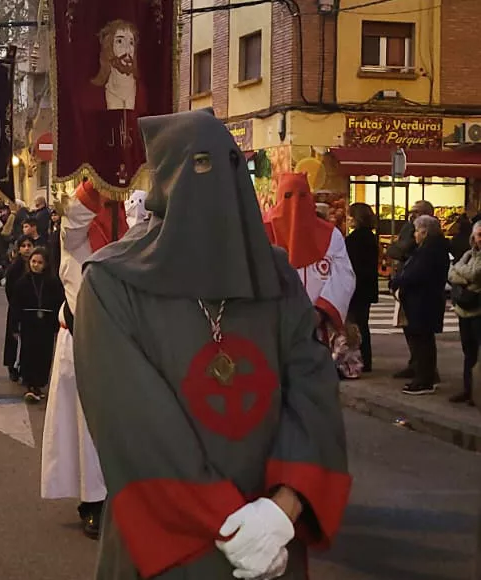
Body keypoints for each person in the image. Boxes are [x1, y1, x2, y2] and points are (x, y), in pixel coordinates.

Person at [74, 110, 350, 579]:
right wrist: (232, 528)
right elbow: (137, 430)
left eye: (229, 163)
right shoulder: (111, 284)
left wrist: (282, 512)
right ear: (165, 182)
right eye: (198, 164)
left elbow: (314, 393)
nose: (217, 180)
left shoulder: (275, 276)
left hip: (269, 542)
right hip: (168, 549)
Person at [40, 178, 129, 541]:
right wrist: (101, 179)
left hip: (122, 346)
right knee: (85, 428)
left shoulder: (130, 245)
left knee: (121, 427)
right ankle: (92, 501)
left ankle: (123, 496)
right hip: (81, 342)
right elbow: (74, 219)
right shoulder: (73, 242)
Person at [264, 173, 356, 345]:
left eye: (302, 196)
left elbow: (343, 276)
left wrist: (321, 311)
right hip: (271, 325)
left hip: (316, 328)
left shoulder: (331, 235)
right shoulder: (261, 230)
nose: (295, 204)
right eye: (288, 196)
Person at [390, 215, 450, 396]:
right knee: (422, 340)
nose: (415, 234)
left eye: (417, 231)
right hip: (422, 300)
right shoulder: (428, 248)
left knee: (423, 340)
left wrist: (397, 281)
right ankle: (424, 376)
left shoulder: (430, 250)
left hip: (423, 301)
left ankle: (425, 380)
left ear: (424, 232)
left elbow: (416, 274)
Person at [9, 247, 64, 403]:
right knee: (28, 353)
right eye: (33, 261)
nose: (36, 265)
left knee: (44, 354)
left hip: (46, 323)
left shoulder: (53, 283)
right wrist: (14, 325)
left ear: (46, 264)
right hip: (28, 322)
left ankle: (39, 385)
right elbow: (15, 306)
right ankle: (30, 386)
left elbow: (58, 303)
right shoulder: (22, 282)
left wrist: (57, 324)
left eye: (39, 262)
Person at [448, 220, 481, 407]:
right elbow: (452, 273)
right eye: (479, 235)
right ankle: (468, 390)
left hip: (478, 310)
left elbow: (476, 274)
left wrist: (464, 275)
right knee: (468, 352)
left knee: (478, 352)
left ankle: (476, 391)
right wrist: (466, 277)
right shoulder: (469, 254)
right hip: (464, 310)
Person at [345, 202, 379, 372]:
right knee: (362, 323)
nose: (348, 219)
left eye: (351, 216)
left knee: (357, 324)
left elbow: (353, 264)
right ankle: (365, 359)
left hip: (357, 287)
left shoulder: (357, 238)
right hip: (365, 287)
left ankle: (360, 359)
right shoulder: (369, 236)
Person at [4, 236, 35, 382]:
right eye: (24, 246)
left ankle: (25, 366)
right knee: (13, 337)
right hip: (16, 307)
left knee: (29, 339)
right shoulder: (14, 268)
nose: (27, 248)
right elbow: (9, 288)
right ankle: (11, 366)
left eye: (30, 245)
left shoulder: (36, 264)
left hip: (32, 308)